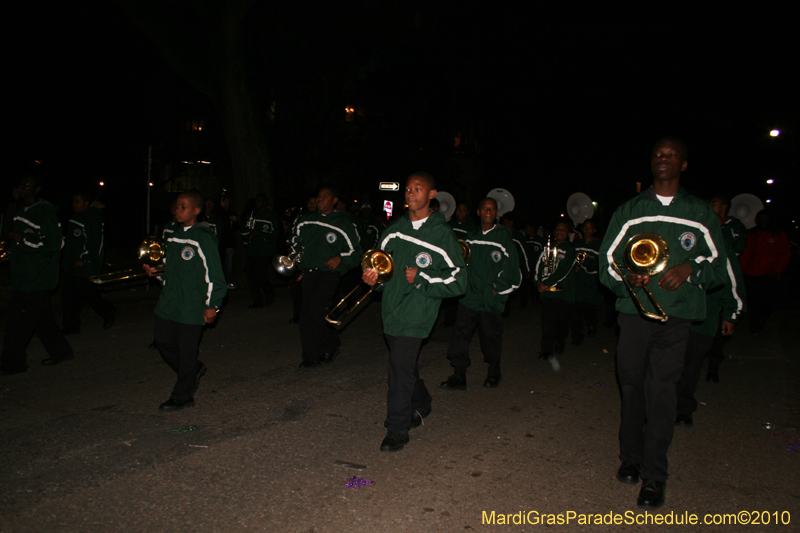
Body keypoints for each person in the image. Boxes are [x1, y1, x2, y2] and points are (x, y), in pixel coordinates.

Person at [599, 137, 732, 510]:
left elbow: (720, 265)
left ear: (684, 165)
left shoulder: (700, 213)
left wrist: (690, 268)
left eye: (672, 155)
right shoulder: (630, 209)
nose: (664, 158)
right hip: (635, 313)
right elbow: (607, 260)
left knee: (662, 392)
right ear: (651, 162)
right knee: (631, 386)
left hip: (677, 317)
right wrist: (628, 277)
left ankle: (655, 477)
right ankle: (630, 458)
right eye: (658, 153)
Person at [363, 172, 466, 452]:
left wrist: (422, 277)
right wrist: (373, 279)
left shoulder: (441, 234)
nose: (410, 193)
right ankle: (421, 403)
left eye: (417, 189)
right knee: (403, 365)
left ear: (432, 195)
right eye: (408, 189)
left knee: (398, 369)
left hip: (418, 313)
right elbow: (380, 267)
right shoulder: (395, 229)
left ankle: (397, 428)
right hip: (392, 312)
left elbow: (459, 281)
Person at [144, 190, 226, 411]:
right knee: (162, 341)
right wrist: (156, 270)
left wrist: (211, 305)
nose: (177, 210)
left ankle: (183, 395)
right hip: (170, 302)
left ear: (196, 210)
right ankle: (192, 370)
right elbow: (170, 270)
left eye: (183, 207)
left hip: (193, 305)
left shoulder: (204, 237)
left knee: (187, 349)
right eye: (176, 206)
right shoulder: (172, 234)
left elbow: (214, 276)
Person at [441, 198, 520, 390]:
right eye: (484, 208)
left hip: (490, 300)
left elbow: (513, 274)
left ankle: (494, 372)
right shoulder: (470, 236)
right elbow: (459, 263)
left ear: (496, 214)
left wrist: (496, 289)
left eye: (492, 209)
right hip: (469, 297)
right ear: (478, 212)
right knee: (460, 336)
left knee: (490, 338)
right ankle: (459, 375)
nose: (488, 211)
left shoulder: (503, 238)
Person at [675, 212, 745, 428]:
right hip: (676, 312)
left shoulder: (719, 243)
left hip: (705, 317)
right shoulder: (680, 238)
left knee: (691, 366)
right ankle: (661, 406)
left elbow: (732, 279)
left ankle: (684, 409)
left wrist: (730, 313)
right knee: (668, 363)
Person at [1, 176, 73, 375]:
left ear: (38, 189)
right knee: (41, 320)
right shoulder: (20, 210)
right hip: (24, 275)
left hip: (37, 278)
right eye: (20, 184)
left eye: (27, 185)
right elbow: (9, 235)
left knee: (17, 323)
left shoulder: (44, 212)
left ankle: (13, 364)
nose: (22, 187)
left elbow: (55, 244)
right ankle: (61, 352)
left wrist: (24, 239)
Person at [292, 186, 361, 368]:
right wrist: (294, 253)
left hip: (329, 272)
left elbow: (356, 252)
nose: (320, 199)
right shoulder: (305, 220)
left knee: (317, 308)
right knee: (306, 314)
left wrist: (340, 258)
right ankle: (310, 355)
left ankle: (331, 345)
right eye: (319, 196)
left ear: (334, 200)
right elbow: (295, 241)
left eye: (325, 196)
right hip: (308, 271)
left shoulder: (343, 222)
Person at [60, 192, 118, 335]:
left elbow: (96, 244)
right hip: (70, 263)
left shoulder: (93, 219)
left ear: (86, 203)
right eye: (73, 201)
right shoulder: (75, 218)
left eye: (78, 201)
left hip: (84, 265)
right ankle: (71, 326)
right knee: (69, 295)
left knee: (87, 292)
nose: (75, 204)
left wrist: (86, 260)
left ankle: (109, 312)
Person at [738, 209, 790, 335]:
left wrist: (777, 269)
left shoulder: (779, 234)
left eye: (766, 219)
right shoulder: (752, 234)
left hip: (770, 275)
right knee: (754, 302)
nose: (764, 221)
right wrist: (741, 272)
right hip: (753, 273)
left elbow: (785, 254)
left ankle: (762, 319)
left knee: (769, 302)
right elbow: (746, 254)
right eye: (761, 219)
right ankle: (754, 324)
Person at [534, 220, 577, 361]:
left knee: (562, 321)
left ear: (569, 233)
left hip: (563, 293)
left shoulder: (570, 249)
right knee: (547, 322)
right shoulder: (547, 248)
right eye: (557, 229)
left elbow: (564, 270)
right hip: (548, 292)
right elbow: (538, 266)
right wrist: (538, 282)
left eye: (563, 229)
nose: (560, 232)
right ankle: (546, 350)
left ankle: (560, 342)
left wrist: (546, 283)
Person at [241, 193, 278, 308]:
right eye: (256, 201)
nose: (258, 203)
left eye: (260, 201)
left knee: (261, 274)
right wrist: (249, 235)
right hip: (252, 250)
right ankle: (257, 301)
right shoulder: (252, 216)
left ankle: (269, 291)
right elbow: (244, 231)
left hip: (265, 251)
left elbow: (275, 234)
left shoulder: (271, 216)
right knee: (250, 274)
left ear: (266, 202)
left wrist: (260, 234)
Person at [571, 218, 604, 342]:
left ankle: (592, 324)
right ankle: (577, 335)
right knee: (576, 310)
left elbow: (599, 264)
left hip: (591, 284)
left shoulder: (599, 245)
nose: (587, 230)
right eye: (585, 227)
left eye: (590, 227)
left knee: (590, 309)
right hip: (578, 283)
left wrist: (585, 262)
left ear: (594, 230)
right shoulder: (577, 244)